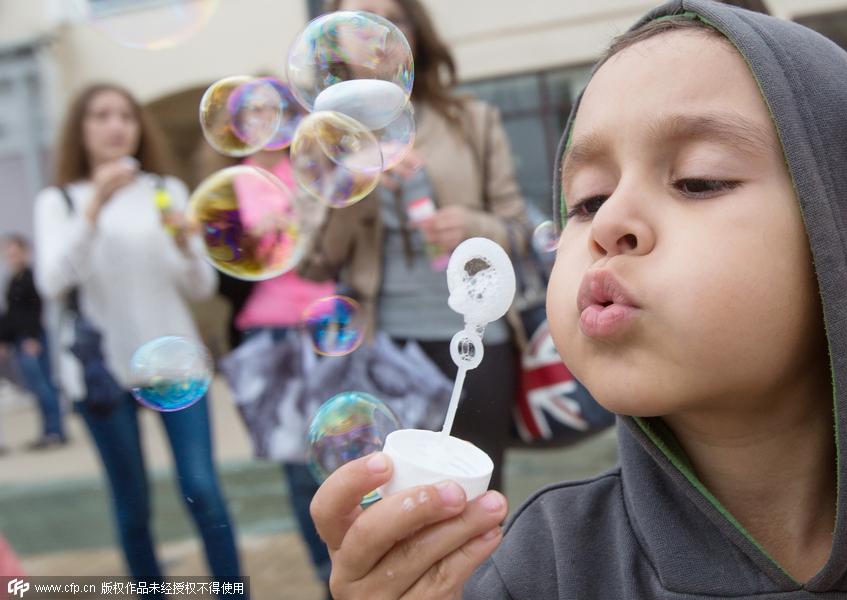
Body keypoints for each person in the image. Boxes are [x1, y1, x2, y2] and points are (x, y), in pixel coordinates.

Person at [309, 1, 847, 597]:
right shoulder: (536, 568)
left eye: (698, 180)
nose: (607, 220)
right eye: (588, 200)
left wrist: (470, 223)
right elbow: (322, 253)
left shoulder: (466, 121)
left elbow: (514, 221)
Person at [301, 0, 531, 494]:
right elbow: (315, 263)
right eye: (360, 19)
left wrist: (472, 225)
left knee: (476, 497)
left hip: (475, 340)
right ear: (332, 44)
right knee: (392, 499)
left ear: (415, 33)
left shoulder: (472, 119)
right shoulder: (329, 138)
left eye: (394, 19)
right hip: (383, 347)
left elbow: (519, 230)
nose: (378, 32)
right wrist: (351, 183)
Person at [33, 83, 245, 588]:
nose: (116, 125)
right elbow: (52, 282)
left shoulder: (164, 190)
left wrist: (189, 245)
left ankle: (232, 592)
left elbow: (200, 284)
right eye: (101, 115)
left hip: (175, 364)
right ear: (80, 131)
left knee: (202, 488)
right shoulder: (60, 200)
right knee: (132, 504)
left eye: (125, 115)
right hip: (102, 371)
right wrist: (94, 211)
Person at [230, 147, 336, 592]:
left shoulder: (310, 169)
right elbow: (239, 261)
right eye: (252, 111)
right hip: (270, 328)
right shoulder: (240, 180)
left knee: (341, 447)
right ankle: (325, 575)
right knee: (297, 463)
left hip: (328, 318)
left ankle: (352, 562)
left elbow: (329, 241)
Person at [0, 234, 66, 449]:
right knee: (37, 388)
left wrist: (32, 337)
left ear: (24, 253)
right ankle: (47, 431)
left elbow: (35, 311)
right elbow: (12, 316)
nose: (11, 257)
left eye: (14, 252)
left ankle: (55, 431)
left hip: (32, 340)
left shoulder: (31, 278)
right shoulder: (13, 280)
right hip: (21, 340)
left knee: (44, 386)